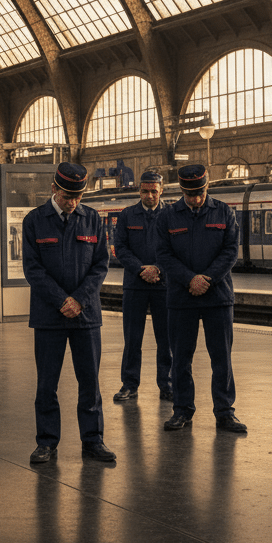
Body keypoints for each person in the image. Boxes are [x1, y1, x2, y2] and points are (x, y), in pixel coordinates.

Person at [22, 163, 115, 464]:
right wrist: (63, 300)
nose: (72, 202)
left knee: (90, 382)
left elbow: (100, 265)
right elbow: (33, 269)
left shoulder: (92, 220)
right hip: (49, 317)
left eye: (77, 196)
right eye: (66, 196)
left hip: (86, 317)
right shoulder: (34, 221)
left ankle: (93, 440)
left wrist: (80, 300)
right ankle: (47, 442)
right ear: (53, 188)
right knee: (47, 383)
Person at [153, 164, 245, 434]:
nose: (196, 199)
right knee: (181, 357)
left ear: (208, 187)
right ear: (182, 191)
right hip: (182, 297)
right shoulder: (168, 217)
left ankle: (225, 412)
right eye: (190, 194)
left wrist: (207, 279)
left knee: (222, 358)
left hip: (217, 296)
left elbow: (230, 252)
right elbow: (163, 255)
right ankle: (182, 410)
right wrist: (189, 279)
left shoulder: (224, 212)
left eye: (200, 193)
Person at [111, 171, 172, 402]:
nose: (149, 195)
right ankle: (129, 384)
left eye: (153, 191)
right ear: (139, 191)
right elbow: (121, 248)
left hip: (164, 284)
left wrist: (158, 269)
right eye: (145, 191)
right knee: (132, 339)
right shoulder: (127, 215)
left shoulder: (172, 215)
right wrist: (141, 270)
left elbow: (176, 248)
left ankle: (167, 385)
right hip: (135, 286)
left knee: (166, 339)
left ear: (161, 190)